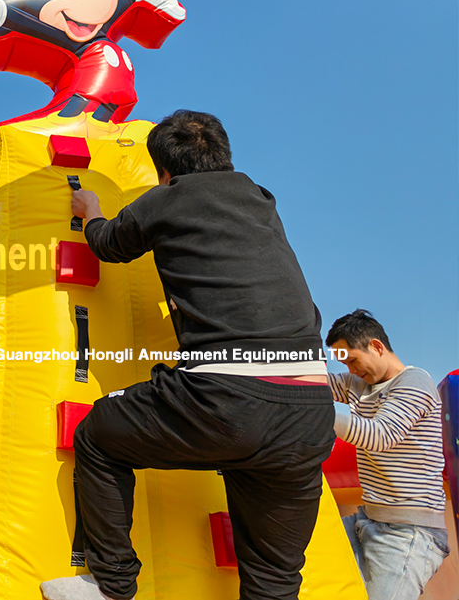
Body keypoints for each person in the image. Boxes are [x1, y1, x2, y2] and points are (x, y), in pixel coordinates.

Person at [41, 110, 336, 600]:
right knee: (275, 577)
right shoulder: (261, 200)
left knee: (96, 436)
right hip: (309, 412)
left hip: (225, 397)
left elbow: (108, 244)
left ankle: (112, 584)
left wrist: (92, 209)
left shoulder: (167, 198)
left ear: (165, 171)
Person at [325, 309, 449, 600]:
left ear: (377, 346)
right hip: (367, 520)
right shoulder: (358, 384)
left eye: (352, 360)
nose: (350, 370)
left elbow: (381, 435)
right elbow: (312, 385)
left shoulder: (414, 382)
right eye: (344, 364)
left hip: (409, 533)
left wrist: (320, 417)